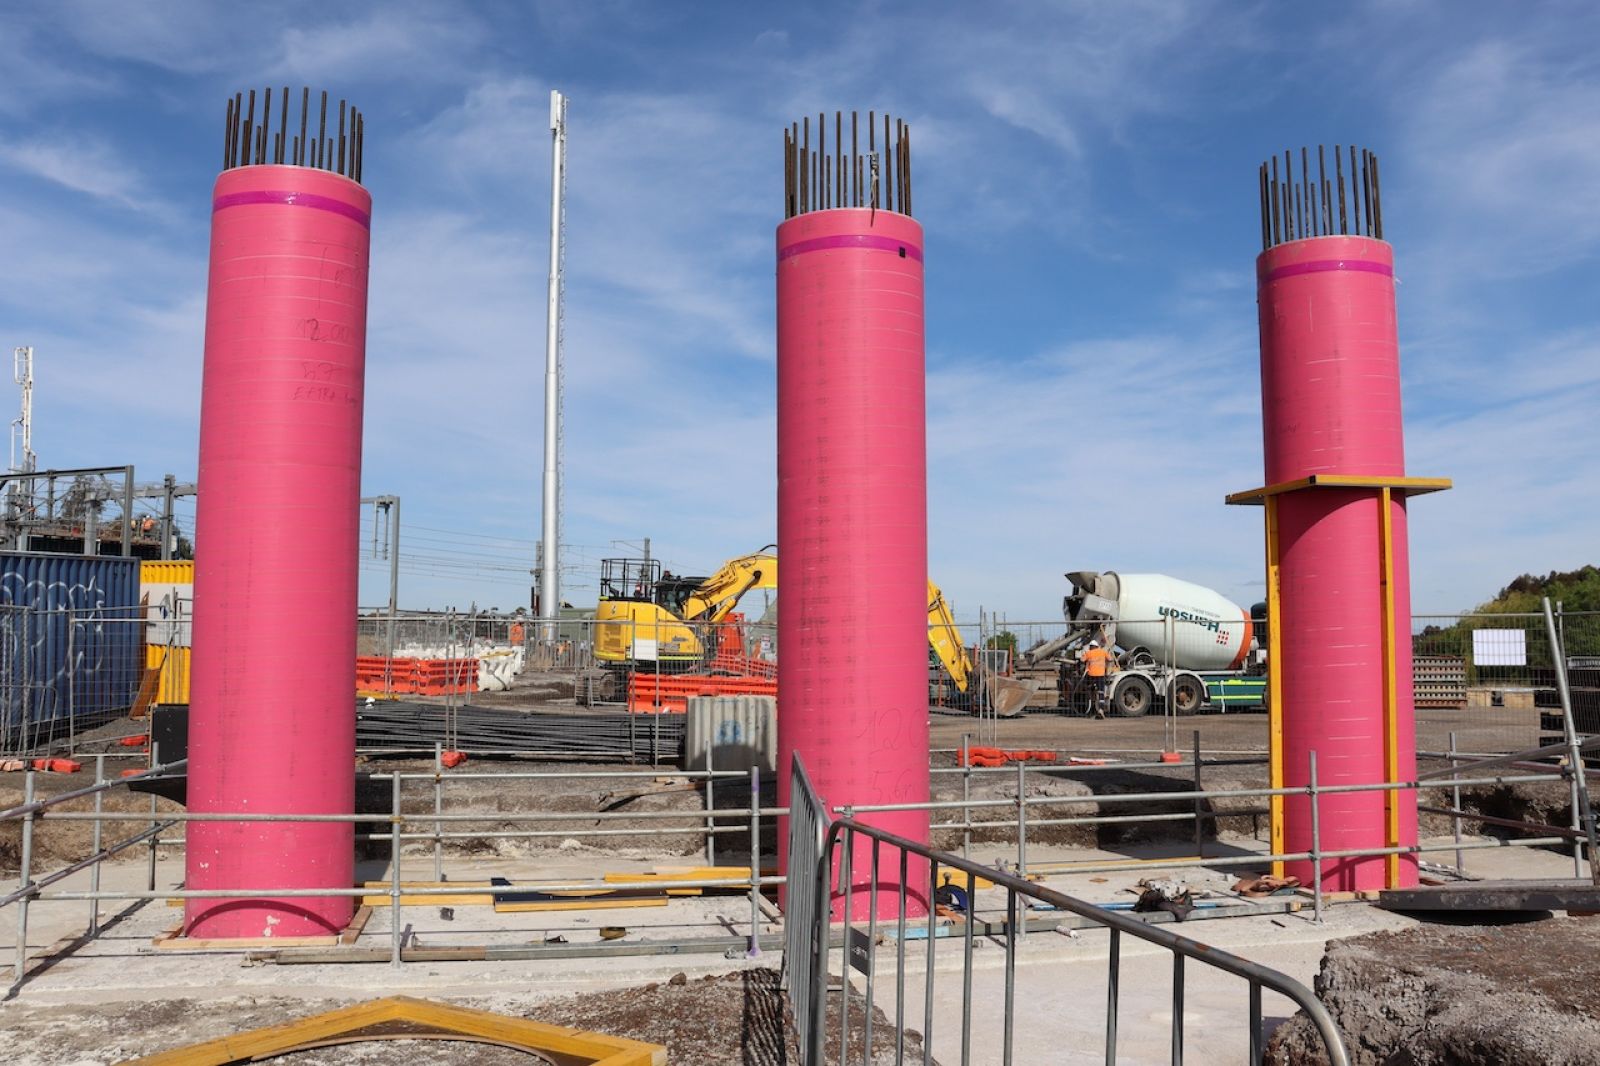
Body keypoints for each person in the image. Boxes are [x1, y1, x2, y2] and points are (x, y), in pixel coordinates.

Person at [1082, 638, 1113, 719]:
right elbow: (1110, 659)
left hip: (1091, 676)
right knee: (1101, 692)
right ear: (1097, 646)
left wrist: (1085, 654)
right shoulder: (1103, 652)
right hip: (1100, 675)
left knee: (1092, 692)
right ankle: (1101, 710)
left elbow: (1082, 660)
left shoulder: (1089, 653)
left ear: (1091, 646)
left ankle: (1091, 710)